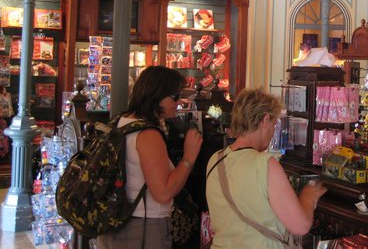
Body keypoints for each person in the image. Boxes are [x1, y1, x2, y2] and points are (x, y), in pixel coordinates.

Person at [206, 87, 327, 248]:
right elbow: (301, 225)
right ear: (264, 120)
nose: (273, 131)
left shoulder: (215, 160)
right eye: (274, 124)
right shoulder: (265, 164)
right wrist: (308, 196)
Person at [98, 66, 203, 249]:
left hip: (117, 223)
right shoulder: (147, 134)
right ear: (157, 95)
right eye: (175, 96)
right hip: (141, 229)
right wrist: (189, 157)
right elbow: (163, 192)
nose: (178, 102)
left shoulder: (122, 122)